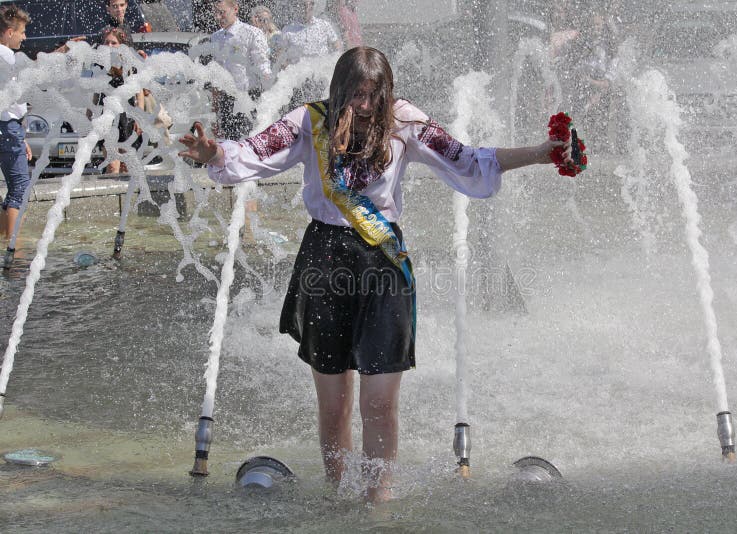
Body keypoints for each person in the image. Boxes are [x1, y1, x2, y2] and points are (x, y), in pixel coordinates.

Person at [179, 46, 573, 503]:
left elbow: (467, 160)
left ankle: (376, 503)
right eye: (355, 95)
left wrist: (541, 153)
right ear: (339, 90)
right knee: (335, 406)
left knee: (380, 403)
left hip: (383, 264)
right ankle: (337, 497)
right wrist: (212, 153)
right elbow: (252, 151)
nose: (364, 106)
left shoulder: (405, 121)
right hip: (324, 263)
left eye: (373, 95)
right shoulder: (311, 121)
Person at [209, 0, 272, 140]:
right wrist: (214, 110)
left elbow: (263, 65)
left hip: (248, 98)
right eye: (215, 13)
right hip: (226, 100)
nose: (218, 17)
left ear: (235, 9)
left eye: (222, 13)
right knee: (228, 145)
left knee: (246, 143)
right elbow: (216, 73)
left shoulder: (251, 33)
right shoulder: (216, 37)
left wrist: (270, 97)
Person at [0, 4, 31, 252]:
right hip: (7, 126)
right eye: (21, 32)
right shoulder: (7, 57)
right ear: (9, 32)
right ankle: (14, 248)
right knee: (20, 185)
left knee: (12, 186)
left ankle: (4, 240)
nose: (24, 37)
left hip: (8, 128)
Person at [93, 27, 145, 174]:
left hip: (126, 117)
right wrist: (89, 114)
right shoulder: (100, 65)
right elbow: (96, 92)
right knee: (112, 166)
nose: (109, 46)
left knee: (128, 167)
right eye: (107, 43)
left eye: (113, 43)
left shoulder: (129, 64)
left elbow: (139, 92)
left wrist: (140, 117)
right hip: (107, 116)